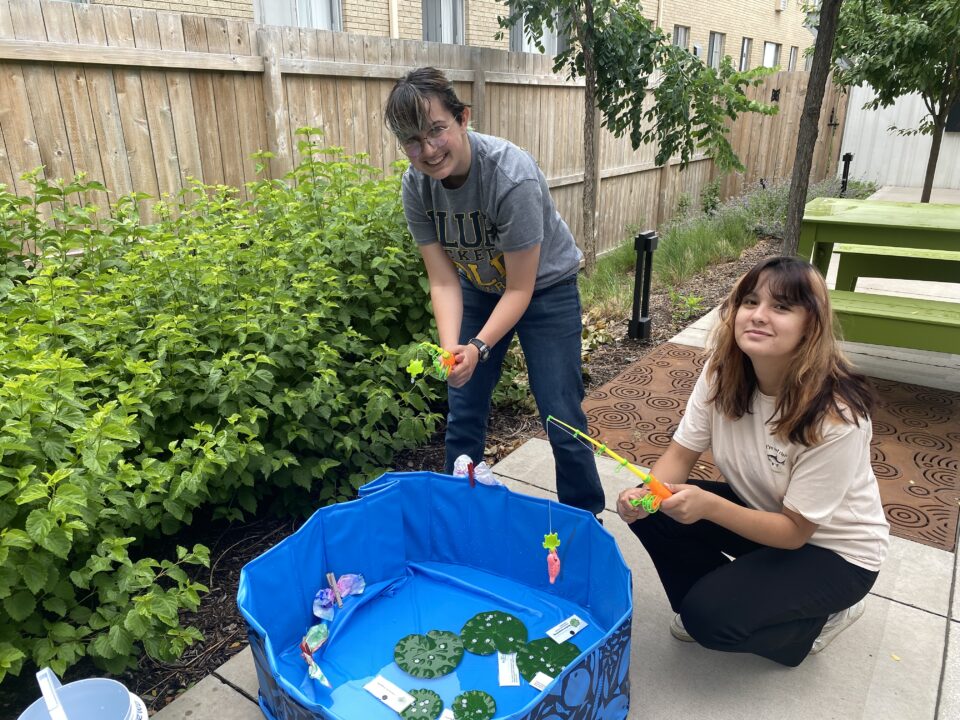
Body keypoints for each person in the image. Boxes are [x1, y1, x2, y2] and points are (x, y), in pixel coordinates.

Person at [616, 256, 889, 667]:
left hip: (835, 552)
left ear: (811, 324)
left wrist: (709, 507)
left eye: (781, 307)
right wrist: (642, 497)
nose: (759, 316)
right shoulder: (722, 371)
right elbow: (680, 455)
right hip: (769, 517)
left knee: (711, 621)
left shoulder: (837, 415)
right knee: (658, 508)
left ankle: (813, 624)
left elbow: (796, 532)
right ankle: (730, 599)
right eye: (750, 302)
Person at [384, 67, 604, 516]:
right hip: (480, 286)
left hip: (545, 288)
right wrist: (454, 352)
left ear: (463, 118)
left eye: (436, 130)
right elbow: (443, 279)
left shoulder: (510, 175)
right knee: (463, 407)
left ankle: (586, 521)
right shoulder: (416, 186)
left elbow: (521, 289)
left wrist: (479, 346)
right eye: (411, 140)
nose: (426, 150)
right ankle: (459, 517)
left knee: (561, 414)